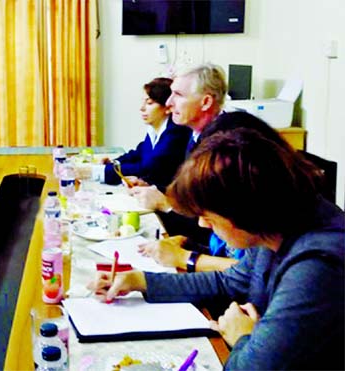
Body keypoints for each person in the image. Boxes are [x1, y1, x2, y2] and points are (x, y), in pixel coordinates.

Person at [88, 129, 344, 370]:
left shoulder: (315, 267)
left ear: (242, 211)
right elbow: (229, 282)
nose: (201, 224)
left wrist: (242, 337)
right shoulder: (275, 223)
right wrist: (140, 281)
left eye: (207, 215)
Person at [128, 63, 227, 245]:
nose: (168, 103)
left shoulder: (223, 146)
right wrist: (154, 188)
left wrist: (165, 205)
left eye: (178, 95)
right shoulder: (195, 134)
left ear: (205, 102)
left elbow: (211, 230)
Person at [84, 77, 191, 190]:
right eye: (143, 102)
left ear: (167, 107)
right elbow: (138, 153)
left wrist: (97, 172)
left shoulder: (176, 133)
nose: (142, 108)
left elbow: (147, 168)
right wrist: (114, 162)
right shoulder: (156, 128)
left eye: (149, 103)